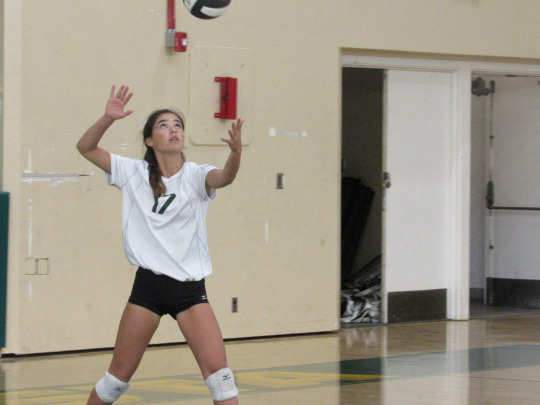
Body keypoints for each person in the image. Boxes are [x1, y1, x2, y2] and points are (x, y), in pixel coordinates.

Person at [77, 85, 243, 405]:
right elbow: (85, 147)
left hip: (189, 290)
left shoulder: (196, 175)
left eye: (178, 125)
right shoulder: (132, 172)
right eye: (164, 126)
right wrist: (107, 118)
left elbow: (224, 178)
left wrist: (235, 154)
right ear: (150, 141)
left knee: (222, 381)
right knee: (115, 381)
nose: (173, 130)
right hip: (148, 288)